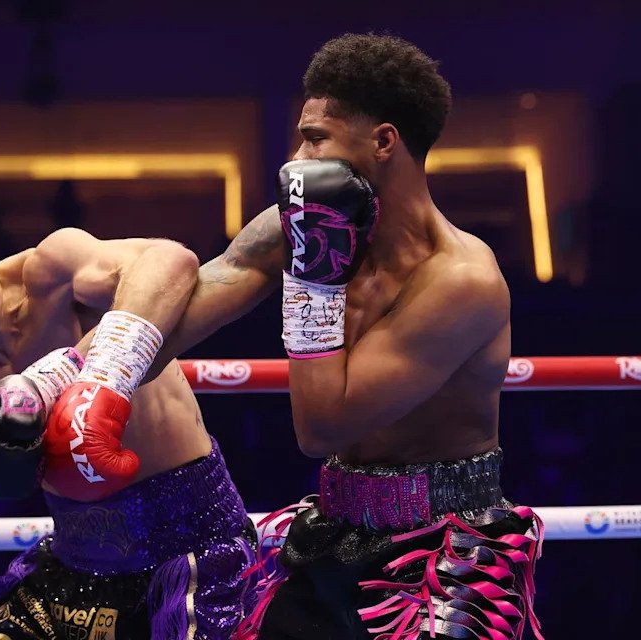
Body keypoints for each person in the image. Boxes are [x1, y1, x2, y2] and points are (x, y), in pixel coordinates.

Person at [149, 34, 543, 639]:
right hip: (330, 532)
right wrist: (82, 366)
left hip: (443, 556)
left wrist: (314, 277)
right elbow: (203, 294)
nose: (295, 157)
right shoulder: (302, 224)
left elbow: (321, 425)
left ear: (384, 141)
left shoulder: (462, 280)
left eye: (315, 137)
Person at [0, 176, 255, 639]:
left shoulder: (55, 276)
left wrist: (100, 376)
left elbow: (169, 261)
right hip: (75, 571)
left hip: (192, 553)